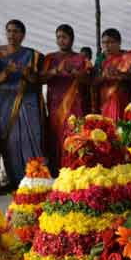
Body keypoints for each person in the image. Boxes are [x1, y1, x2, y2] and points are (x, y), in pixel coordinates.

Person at [0, 19, 44, 189]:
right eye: (9, 31)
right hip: (4, 102)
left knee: (30, 138)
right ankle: (14, 180)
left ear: (23, 35)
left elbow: (37, 80)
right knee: (11, 141)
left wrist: (24, 72)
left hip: (27, 101)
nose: (12, 35)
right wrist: (6, 72)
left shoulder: (32, 55)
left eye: (16, 31)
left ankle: (35, 177)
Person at [42, 24, 90, 171]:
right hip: (56, 102)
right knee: (56, 133)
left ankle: (76, 167)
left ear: (71, 39)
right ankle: (56, 168)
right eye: (58, 37)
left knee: (74, 132)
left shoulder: (80, 58)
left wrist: (77, 74)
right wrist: (55, 71)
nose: (61, 40)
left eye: (64, 37)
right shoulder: (50, 58)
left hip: (75, 103)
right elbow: (40, 78)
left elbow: (89, 81)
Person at [95, 28, 131, 120]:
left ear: (119, 43)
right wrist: (103, 77)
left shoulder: (127, 57)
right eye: (103, 43)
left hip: (123, 100)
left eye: (110, 42)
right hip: (106, 100)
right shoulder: (101, 60)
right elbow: (94, 81)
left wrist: (121, 75)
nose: (106, 46)